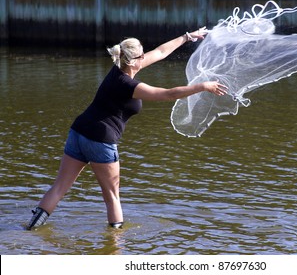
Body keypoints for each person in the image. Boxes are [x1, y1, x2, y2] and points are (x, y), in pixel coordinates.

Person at [26, 28, 228, 230]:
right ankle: (116, 244)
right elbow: (167, 94)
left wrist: (187, 37)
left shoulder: (119, 69)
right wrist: (203, 86)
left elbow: (159, 52)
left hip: (78, 132)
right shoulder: (127, 84)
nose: (145, 57)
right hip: (100, 141)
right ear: (133, 61)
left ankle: (30, 229)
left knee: (59, 187)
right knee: (112, 197)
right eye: (141, 55)